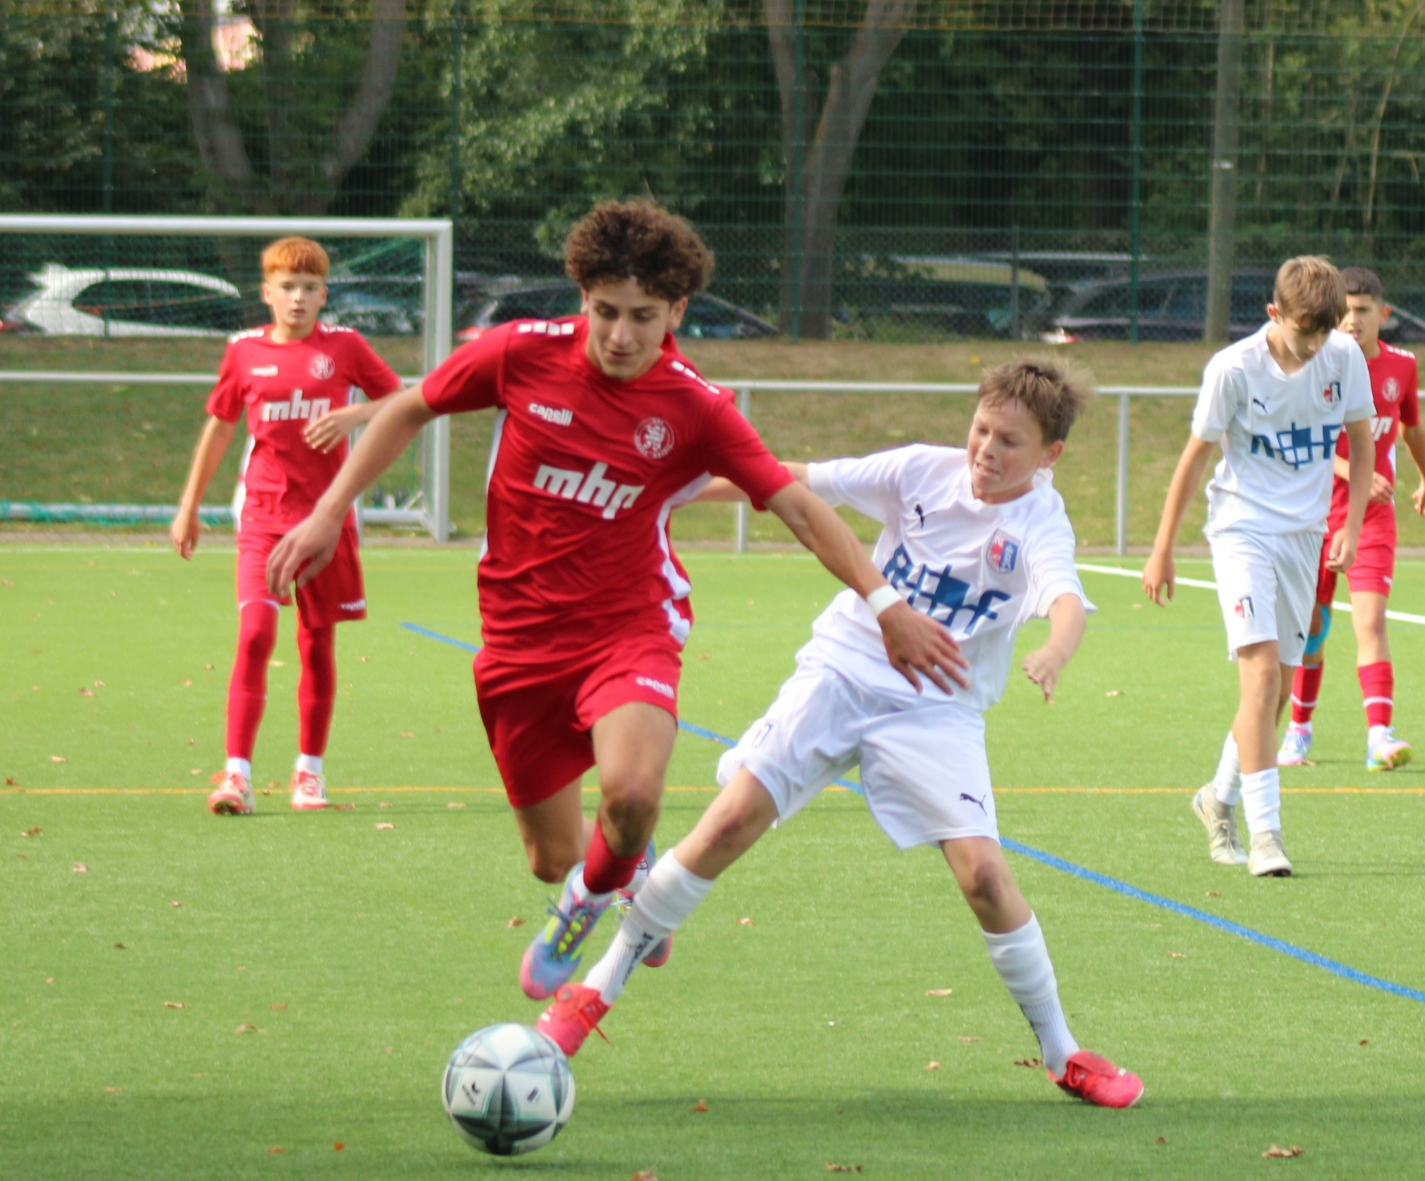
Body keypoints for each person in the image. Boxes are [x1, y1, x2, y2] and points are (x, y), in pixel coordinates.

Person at [264, 200, 963, 1000]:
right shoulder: (519, 353)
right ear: (582, 298)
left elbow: (798, 507)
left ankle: (589, 901)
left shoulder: (695, 406)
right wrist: (329, 513)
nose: (621, 336)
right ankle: (612, 871)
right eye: (605, 312)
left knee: (631, 794)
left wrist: (887, 606)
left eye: (643, 317)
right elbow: (410, 407)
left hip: (629, 628)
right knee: (552, 857)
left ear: (678, 312)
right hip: (518, 641)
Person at [533, 355, 1144, 1109]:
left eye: (1009, 441)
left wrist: (1055, 650)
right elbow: (789, 480)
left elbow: (1065, 598)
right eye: (982, 429)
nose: (986, 449)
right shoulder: (921, 471)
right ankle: (591, 995)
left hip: (936, 707)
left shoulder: (1039, 523)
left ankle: (1063, 1053)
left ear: (1051, 454)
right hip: (843, 669)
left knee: (986, 877)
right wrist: (667, 490)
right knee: (727, 824)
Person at [1142, 256, 1374, 877]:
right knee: (1263, 673)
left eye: (1326, 331)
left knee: (1274, 693)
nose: (1316, 345)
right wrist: (1163, 547)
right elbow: (1196, 457)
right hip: (1242, 529)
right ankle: (1267, 835)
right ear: (1274, 313)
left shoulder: (1343, 357)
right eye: (1305, 331)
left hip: (1304, 537)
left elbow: (1362, 444)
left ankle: (1217, 798)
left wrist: (1350, 527)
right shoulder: (1234, 369)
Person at [170, 236, 402, 817]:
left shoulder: (345, 347)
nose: (297, 298)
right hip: (263, 515)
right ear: (266, 293)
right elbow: (221, 426)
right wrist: (189, 505)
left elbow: (402, 400)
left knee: (316, 644)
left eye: (309, 288)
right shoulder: (243, 351)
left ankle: (309, 773)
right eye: (287, 287)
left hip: (326, 520)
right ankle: (237, 775)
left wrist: (356, 413)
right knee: (255, 634)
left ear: (324, 295)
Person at [1278, 266, 1425, 771]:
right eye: (1344, 311)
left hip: (1372, 519)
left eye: (1363, 310)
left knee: (1370, 620)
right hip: (1314, 515)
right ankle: (1299, 731)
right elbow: (1298, 436)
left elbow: (1412, 427)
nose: (1352, 320)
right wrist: (1354, 473)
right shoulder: (1315, 363)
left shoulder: (1402, 367)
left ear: (1382, 314)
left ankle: (1379, 736)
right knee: (1312, 628)